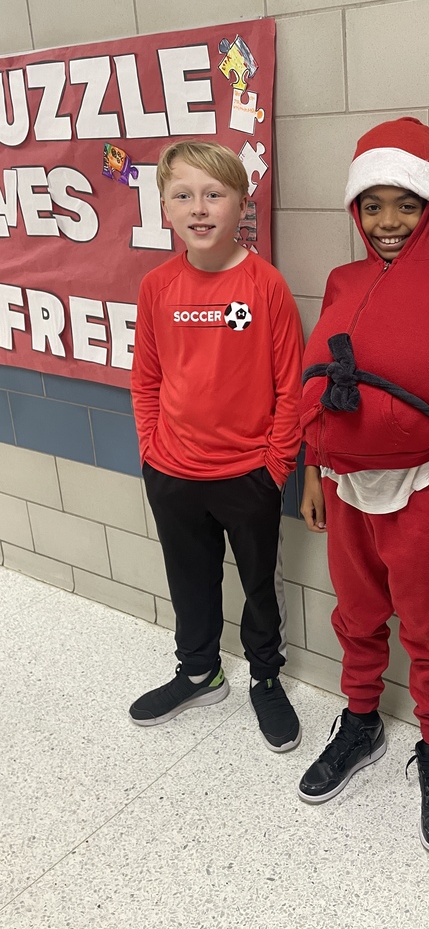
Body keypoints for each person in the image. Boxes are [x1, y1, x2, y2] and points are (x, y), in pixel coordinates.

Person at [298, 117, 429, 855]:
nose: (388, 222)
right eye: (373, 205)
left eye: (406, 204)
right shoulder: (341, 280)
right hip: (347, 490)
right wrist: (315, 470)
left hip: (424, 491)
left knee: (426, 630)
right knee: (356, 617)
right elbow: (321, 386)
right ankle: (360, 724)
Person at [129, 140, 304, 753]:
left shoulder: (265, 286)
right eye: (183, 196)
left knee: (259, 584)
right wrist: (151, 449)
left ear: (239, 205)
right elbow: (147, 377)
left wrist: (275, 467)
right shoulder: (156, 286)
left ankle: (264, 674)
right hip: (171, 470)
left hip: (247, 475)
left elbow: (291, 387)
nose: (199, 209)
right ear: (165, 208)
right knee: (189, 578)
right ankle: (200, 671)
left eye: (213, 194)